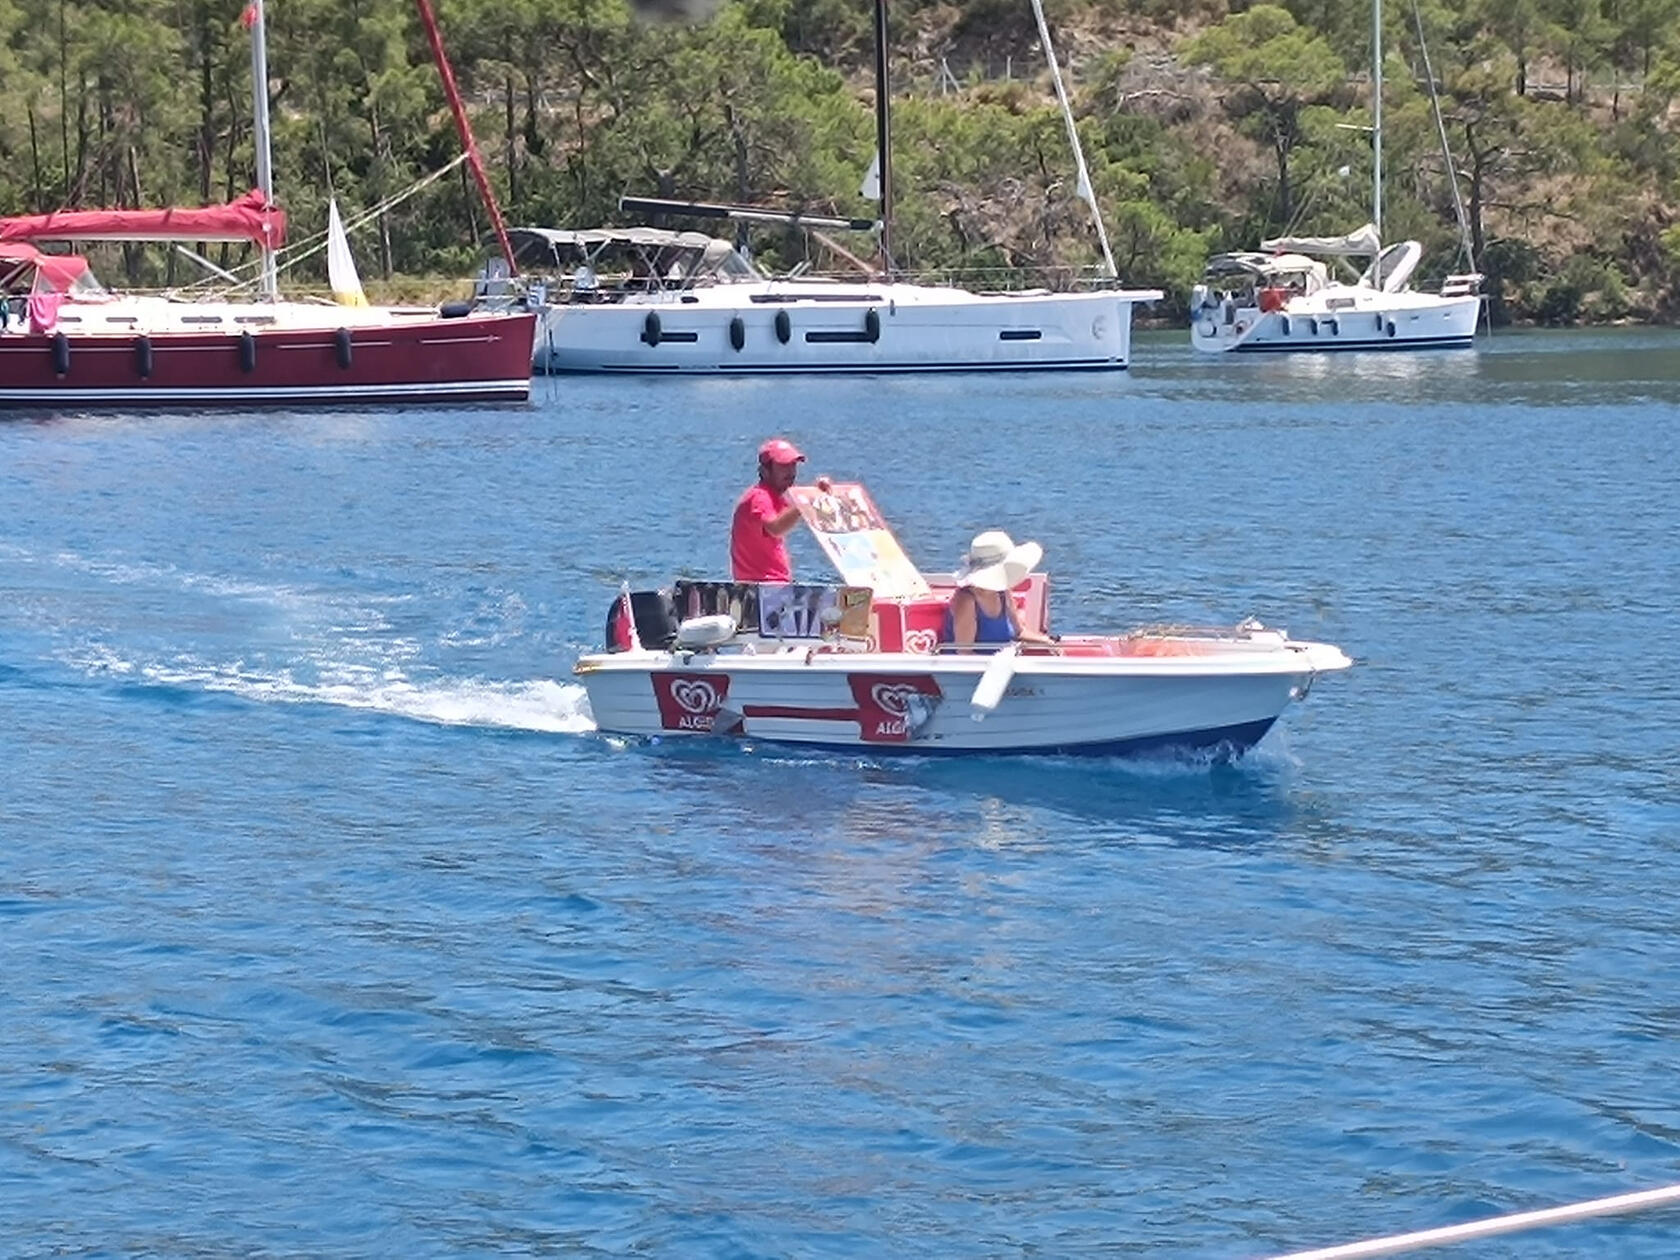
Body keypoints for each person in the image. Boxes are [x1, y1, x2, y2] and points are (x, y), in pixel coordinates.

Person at [943, 530, 1054, 650]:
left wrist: (1048, 642)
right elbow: (964, 654)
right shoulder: (966, 600)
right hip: (974, 667)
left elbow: (1019, 632)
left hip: (1003, 662)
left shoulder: (1003, 592)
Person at [731, 437, 821, 582]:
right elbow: (775, 528)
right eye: (784, 466)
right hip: (763, 588)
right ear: (764, 471)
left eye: (793, 465)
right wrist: (804, 502)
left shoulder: (776, 499)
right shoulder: (759, 497)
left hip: (770, 586)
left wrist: (820, 494)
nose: (791, 472)